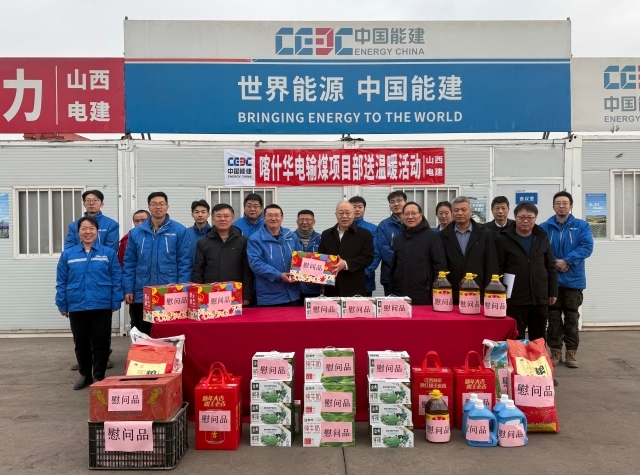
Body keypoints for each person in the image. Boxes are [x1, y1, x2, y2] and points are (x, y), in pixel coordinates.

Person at [56, 216, 123, 390]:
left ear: (97, 231)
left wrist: (115, 300)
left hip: (101, 304)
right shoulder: (68, 254)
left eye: (91, 228)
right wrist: (62, 303)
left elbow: (116, 277)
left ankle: (99, 376)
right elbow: (62, 281)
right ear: (78, 232)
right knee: (81, 343)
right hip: (77, 304)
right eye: (84, 229)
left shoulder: (108, 253)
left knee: (101, 343)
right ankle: (85, 375)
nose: (88, 232)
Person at [123, 192, 192, 335]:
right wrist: (129, 289)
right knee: (144, 333)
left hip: (169, 291)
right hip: (143, 291)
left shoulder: (179, 231)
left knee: (168, 333)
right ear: (149, 207)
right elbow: (130, 262)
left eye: (161, 204)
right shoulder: (136, 233)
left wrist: (182, 289)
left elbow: (184, 262)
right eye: (154, 204)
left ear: (167, 207)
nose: (158, 207)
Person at [66, 189, 120, 371]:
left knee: (101, 327)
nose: (91, 203)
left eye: (95, 200)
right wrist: (83, 252)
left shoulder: (111, 225)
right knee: (81, 327)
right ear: (83, 203)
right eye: (88, 200)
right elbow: (69, 247)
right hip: (80, 273)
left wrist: (93, 253)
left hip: (100, 272)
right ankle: (85, 359)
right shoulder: (74, 225)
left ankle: (103, 357)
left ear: (101, 203)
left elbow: (111, 247)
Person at [540, 191, 594, 369]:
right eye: (558, 203)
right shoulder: (544, 227)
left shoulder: (581, 226)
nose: (561, 206)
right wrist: (555, 263)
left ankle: (571, 352)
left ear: (571, 206)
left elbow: (586, 247)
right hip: (552, 281)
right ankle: (555, 351)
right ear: (553, 206)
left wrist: (567, 260)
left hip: (573, 280)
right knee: (553, 317)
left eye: (565, 203)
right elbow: (540, 250)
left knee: (572, 318)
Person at [496, 202, 558, 342]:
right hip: (515, 297)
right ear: (515, 217)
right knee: (516, 336)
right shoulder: (503, 239)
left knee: (539, 337)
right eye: (521, 217)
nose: (525, 221)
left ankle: (537, 357)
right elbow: (499, 268)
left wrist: (553, 291)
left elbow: (550, 266)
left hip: (539, 295)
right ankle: (518, 357)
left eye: (530, 217)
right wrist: (500, 292)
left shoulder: (542, 237)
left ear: (535, 218)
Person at [439, 196, 498, 303]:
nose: (460, 213)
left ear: (471, 212)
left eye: (463, 210)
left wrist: (489, 290)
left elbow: (491, 263)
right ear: (452, 213)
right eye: (456, 210)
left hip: (477, 291)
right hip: (452, 292)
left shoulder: (484, 233)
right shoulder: (443, 235)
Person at [192, 203, 253, 305]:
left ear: (232, 218)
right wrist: (199, 293)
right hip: (210, 292)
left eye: (226, 216)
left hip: (235, 292)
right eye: (219, 216)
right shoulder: (203, 242)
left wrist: (246, 294)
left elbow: (247, 270)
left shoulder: (243, 241)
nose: (222, 219)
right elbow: (198, 271)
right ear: (213, 218)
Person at [389, 202, 448, 304]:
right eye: (407, 214)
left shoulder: (432, 236)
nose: (410, 217)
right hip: (400, 292)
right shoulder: (399, 238)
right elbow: (394, 266)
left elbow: (440, 266)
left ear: (420, 216)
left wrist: (435, 291)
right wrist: (392, 288)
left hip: (424, 293)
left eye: (413, 213)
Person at [247, 204, 302, 306]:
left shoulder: (291, 236)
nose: (273, 218)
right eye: (270, 215)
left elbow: (301, 259)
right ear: (264, 218)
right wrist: (279, 275)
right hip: (269, 296)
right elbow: (256, 264)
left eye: (276, 215)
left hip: (292, 294)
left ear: (282, 218)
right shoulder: (255, 239)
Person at [318, 201, 374, 297]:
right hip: (332, 287)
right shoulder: (326, 234)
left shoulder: (364, 234)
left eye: (348, 213)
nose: (344, 216)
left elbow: (368, 257)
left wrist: (346, 264)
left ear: (353, 214)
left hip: (355, 285)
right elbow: (321, 257)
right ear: (336, 215)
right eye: (341, 213)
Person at [349, 196, 380, 296]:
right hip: (345, 276)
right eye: (354, 207)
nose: (357, 209)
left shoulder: (373, 229)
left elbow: (376, 253)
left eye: (360, 207)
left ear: (364, 209)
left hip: (366, 278)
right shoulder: (342, 228)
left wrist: (366, 272)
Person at [378, 191, 407, 296]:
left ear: (405, 202)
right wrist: (404, 264)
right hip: (390, 275)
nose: (396, 204)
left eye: (399, 200)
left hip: (413, 275)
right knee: (391, 305)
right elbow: (383, 249)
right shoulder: (383, 225)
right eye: (392, 202)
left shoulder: (414, 222)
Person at [294, 209, 322, 303]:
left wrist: (323, 287)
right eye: (301, 219)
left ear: (314, 222)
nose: (304, 222)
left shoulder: (321, 239)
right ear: (297, 222)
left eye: (308, 219)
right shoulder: (289, 238)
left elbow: (325, 264)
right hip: (294, 288)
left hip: (314, 287)